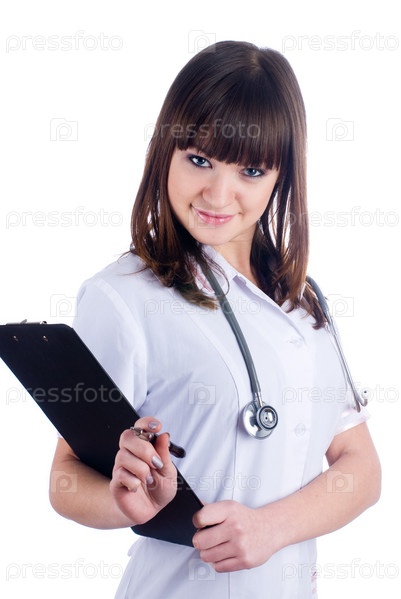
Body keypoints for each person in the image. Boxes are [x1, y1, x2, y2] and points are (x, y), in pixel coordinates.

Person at [50, 40, 381, 598]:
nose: (218, 194)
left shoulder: (300, 299)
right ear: (166, 151)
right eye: (199, 160)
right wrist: (122, 500)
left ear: (281, 176)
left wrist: (272, 528)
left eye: (250, 170)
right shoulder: (123, 297)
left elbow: (361, 468)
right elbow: (65, 478)